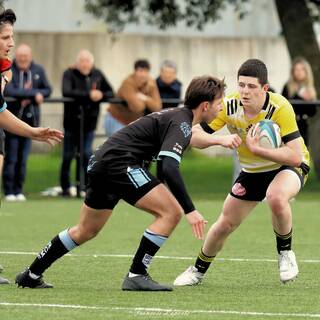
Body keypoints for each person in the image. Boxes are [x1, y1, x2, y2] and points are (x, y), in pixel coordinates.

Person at [15, 75, 240, 291]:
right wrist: (190, 210)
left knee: (85, 230)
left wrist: (220, 139)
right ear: (204, 105)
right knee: (171, 213)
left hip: (101, 163)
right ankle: (137, 275)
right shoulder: (180, 123)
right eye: (219, 103)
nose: (221, 107)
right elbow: (169, 167)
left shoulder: (178, 118)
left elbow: (182, 144)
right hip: (120, 164)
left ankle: (32, 274)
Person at [174, 59, 310, 287]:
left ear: (264, 88)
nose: (245, 92)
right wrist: (220, 139)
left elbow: (295, 156)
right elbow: (193, 136)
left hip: (287, 167)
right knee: (225, 223)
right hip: (253, 170)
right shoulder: (229, 106)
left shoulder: (280, 107)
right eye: (241, 85)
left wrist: (258, 149)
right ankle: (197, 270)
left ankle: (285, 253)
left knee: (276, 197)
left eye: (251, 87)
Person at [0, 7, 63, 285]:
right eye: (5, 37)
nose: (11, 43)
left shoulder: (5, 69)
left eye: (11, 37)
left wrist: (32, 132)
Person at [60, 49, 114, 197]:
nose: (85, 64)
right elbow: (67, 91)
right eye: (82, 61)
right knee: (68, 155)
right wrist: (88, 95)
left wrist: (101, 94)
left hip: (89, 123)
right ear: (77, 63)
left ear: (92, 63)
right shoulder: (69, 73)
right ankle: (65, 188)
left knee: (86, 154)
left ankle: (84, 186)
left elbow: (111, 92)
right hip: (72, 122)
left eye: (87, 61)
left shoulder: (98, 74)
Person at [3, 43, 52, 201]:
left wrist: (32, 94)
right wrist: (31, 94)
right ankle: (9, 191)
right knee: (11, 158)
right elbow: (9, 90)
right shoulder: (9, 69)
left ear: (30, 57)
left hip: (31, 122)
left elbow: (47, 89)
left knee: (23, 159)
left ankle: (19, 190)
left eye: (26, 56)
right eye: (21, 56)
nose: (23, 59)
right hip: (11, 121)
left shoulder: (38, 70)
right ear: (16, 56)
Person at [104, 59, 161, 137]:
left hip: (131, 122)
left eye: (146, 71)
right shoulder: (128, 83)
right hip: (116, 119)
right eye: (140, 71)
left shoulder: (151, 83)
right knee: (116, 148)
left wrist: (144, 98)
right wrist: (149, 101)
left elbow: (157, 106)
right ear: (135, 71)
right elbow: (137, 107)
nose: (143, 74)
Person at [282, 57, 317, 147]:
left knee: (303, 152)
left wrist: (308, 100)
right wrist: (299, 97)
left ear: (306, 71)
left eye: (302, 69)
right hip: (289, 124)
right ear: (293, 71)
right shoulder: (287, 87)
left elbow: (312, 113)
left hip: (303, 125)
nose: (299, 72)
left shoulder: (310, 88)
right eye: (296, 69)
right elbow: (284, 106)